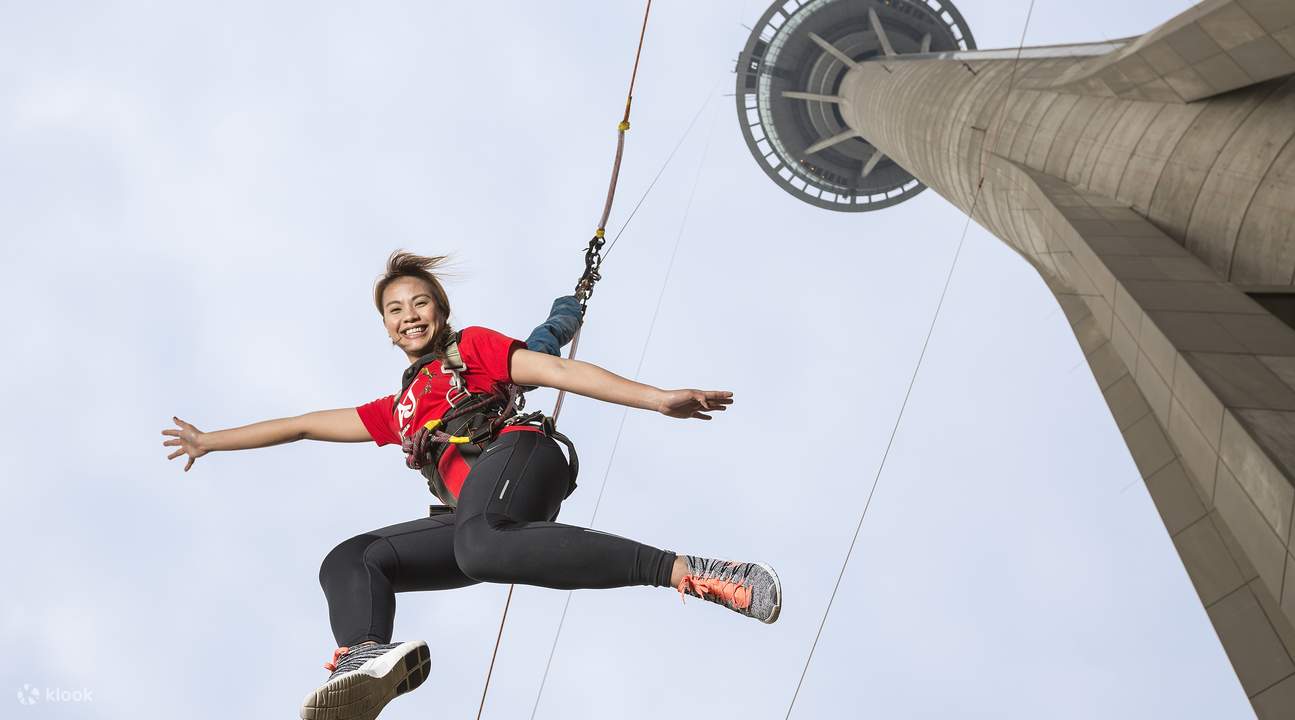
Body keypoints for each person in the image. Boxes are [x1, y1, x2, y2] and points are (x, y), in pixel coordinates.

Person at [161, 251, 781, 720]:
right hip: (471, 515)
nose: (409, 317)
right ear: (384, 327)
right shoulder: (398, 407)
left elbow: (556, 366)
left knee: (477, 543)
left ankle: (685, 570)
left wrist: (657, 399)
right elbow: (301, 426)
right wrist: (210, 440)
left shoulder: (472, 350)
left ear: (441, 310)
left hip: (521, 457)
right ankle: (364, 657)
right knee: (351, 559)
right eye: (395, 310)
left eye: (419, 303)